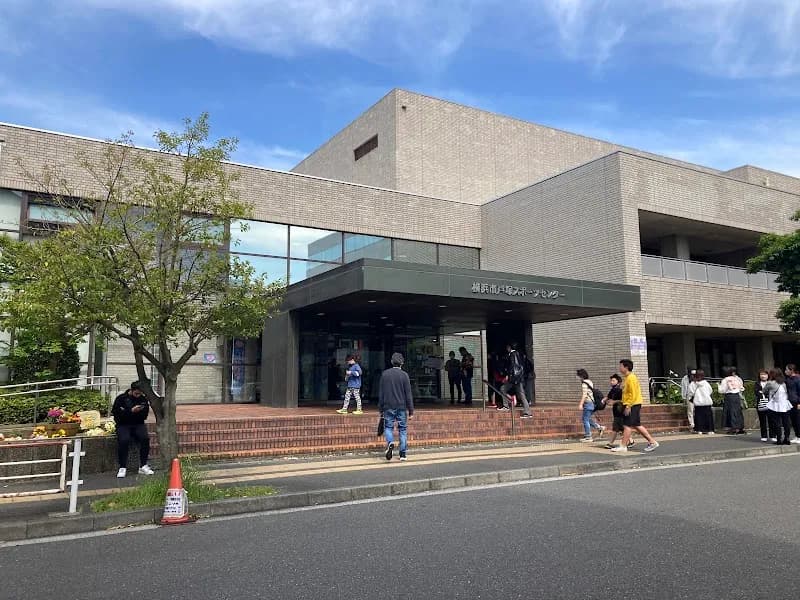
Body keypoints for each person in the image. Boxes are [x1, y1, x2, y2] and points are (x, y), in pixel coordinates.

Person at [612, 359, 659, 453]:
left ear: (626, 367)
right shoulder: (627, 378)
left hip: (633, 404)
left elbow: (633, 393)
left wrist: (628, 406)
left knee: (626, 425)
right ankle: (652, 442)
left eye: (621, 366)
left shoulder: (631, 378)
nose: (619, 368)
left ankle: (623, 446)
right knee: (636, 425)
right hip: (633, 403)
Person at [111, 381, 155, 478]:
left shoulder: (143, 400)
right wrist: (130, 411)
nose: (138, 396)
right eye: (136, 393)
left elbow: (144, 416)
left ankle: (143, 465)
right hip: (123, 424)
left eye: (140, 394)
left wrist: (138, 411)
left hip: (138, 424)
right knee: (124, 440)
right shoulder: (121, 399)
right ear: (131, 390)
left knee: (145, 438)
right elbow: (116, 415)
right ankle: (122, 467)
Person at [379, 352, 415, 461]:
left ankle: (390, 443)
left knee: (388, 427)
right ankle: (403, 454)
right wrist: (411, 411)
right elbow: (408, 394)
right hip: (401, 406)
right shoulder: (405, 375)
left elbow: (381, 393)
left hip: (388, 406)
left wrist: (380, 408)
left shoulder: (385, 374)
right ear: (402, 363)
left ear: (391, 362)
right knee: (403, 429)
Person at [500, 344, 533, 419]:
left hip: (514, 379)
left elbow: (513, 366)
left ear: (509, 347)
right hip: (518, 378)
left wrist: (508, 376)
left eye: (507, 347)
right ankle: (508, 404)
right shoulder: (519, 354)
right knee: (504, 389)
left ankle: (527, 412)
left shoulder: (513, 354)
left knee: (504, 389)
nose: (506, 348)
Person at [604, 374, 634, 449]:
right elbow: (608, 397)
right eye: (611, 380)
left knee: (615, 428)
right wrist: (605, 400)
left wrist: (614, 402)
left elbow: (623, 400)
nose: (611, 382)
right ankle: (631, 440)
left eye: (613, 380)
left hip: (621, 411)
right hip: (616, 411)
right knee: (622, 428)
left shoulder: (620, 390)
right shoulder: (613, 390)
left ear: (618, 382)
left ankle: (610, 443)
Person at [577, 368, 604, 441]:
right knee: (587, 418)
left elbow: (584, 395)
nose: (578, 378)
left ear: (581, 376)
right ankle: (599, 427)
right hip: (592, 403)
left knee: (585, 419)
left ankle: (588, 436)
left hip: (588, 403)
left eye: (578, 376)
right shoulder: (589, 382)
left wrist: (580, 404)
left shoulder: (584, 383)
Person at [766, 369, 792, 445]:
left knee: (777, 423)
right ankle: (787, 438)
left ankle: (779, 439)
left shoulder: (770, 383)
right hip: (785, 404)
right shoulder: (784, 383)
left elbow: (764, 390)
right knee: (786, 422)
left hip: (775, 405)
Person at [718, 367, 746, 434]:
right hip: (736, 395)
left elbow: (722, 390)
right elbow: (741, 388)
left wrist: (718, 386)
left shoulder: (725, 380)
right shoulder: (737, 379)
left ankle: (733, 428)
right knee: (738, 412)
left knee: (730, 412)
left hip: (729, 396)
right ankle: (740, 427)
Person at [688, 369, 715, 434]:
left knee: (699, 417)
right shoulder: (706, 383)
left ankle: (699, 429)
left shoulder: (693, 384)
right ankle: (710, 430)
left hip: (698, 403)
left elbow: (690, 393)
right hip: (707, 402)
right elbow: (710, 391)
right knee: (708, 417)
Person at [755, 369, 774, 442]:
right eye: (761, 374)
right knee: (762, 421)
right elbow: (756, 392)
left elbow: (772, 392)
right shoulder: (757, 383)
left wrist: (762, 392)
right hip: (761, 404)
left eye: (765, 374)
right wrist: (763, 392)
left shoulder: (771, 383)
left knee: (771, 421)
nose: (763, 376)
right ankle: (764, 436)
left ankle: (772, 435)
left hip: (770, 403)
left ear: (768, 375)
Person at [784, 364, 800, 443]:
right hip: (790, 402)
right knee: (793, 420)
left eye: (787, 370)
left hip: (796, 402)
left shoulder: (798, 379)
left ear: (791, 370)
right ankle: (797, 436)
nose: (785, 371)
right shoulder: (788, 379)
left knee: (798, 420)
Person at [680, 367, 697, 431]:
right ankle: (692, 424)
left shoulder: (697, 378)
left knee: (695, 410)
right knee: (691, 411)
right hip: (690, 396)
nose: (693, 375)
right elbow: (684, 388)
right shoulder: (685, 378)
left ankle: (696, 424)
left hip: (697, 396)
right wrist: (684, 397)